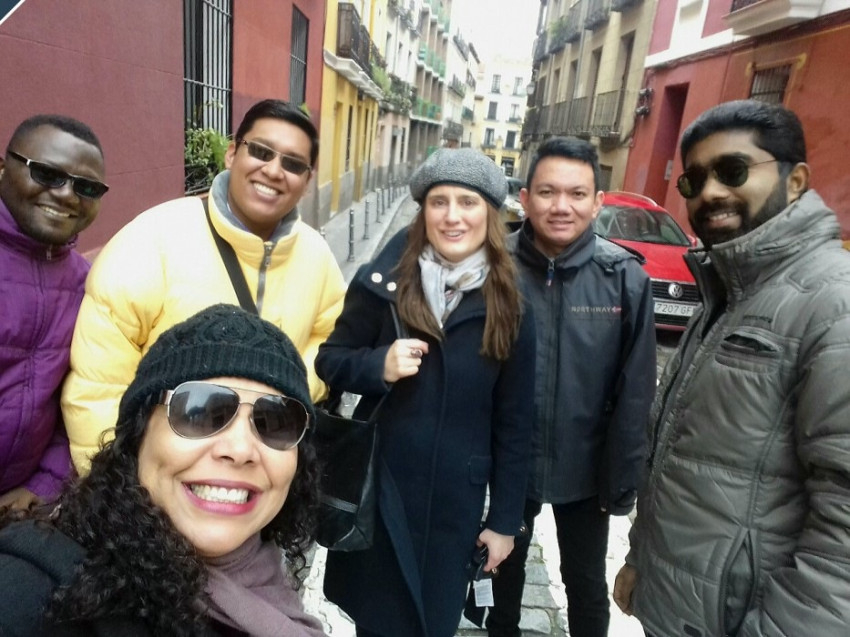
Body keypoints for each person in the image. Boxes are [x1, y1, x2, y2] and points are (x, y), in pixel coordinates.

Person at [613, 100, 850, 636]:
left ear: (796, 181)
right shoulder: (728, 292)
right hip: (681, 609)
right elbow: (680, 462)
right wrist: (640, 561)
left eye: (733, 170)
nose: (711, 192)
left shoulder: (833, 303)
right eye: (694, 180)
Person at [0, 304, 327, 636]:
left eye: (275, 421)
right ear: (138, 436)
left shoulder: (271, 586)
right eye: (198, 412)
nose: (241, 450)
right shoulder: (33, 590)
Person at [315, 148, 537, 637]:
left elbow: (517, 423)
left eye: (467, 202)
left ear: (490, 214)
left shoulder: (512, 305)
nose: (452, 216)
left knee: (433, 622)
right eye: (439, 202)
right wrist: (379, 365)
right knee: (378, 623)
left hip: (455, 504)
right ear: (424, 211)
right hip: (383, 494)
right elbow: (330, 360)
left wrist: (504, 522)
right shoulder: (383, 284)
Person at [62, 98, 346, 474]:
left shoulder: (316, 256)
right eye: (261, 151)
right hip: (162, 477)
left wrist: (285, 392)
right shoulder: (151, 240)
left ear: (307, 181)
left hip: (261, 468)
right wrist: (117, 483)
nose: (274, 170)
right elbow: (97, 387)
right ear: (232, 154)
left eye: (293, 164)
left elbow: (331, 336)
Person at [488, 136, 656, 637]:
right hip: (506, 461)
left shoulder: (624, 277)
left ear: (597, 202)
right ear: (525, 198)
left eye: (577, 194)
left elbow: (636, 388)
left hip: (587, 467)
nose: (561, 206)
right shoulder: (494, 267)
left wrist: (621, 479)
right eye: (547, 192)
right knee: (499, 574)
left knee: (584, 583)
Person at [0, 114, 108, 510]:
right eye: (46, 174)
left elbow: (82, 392)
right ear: (3, 168)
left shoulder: (89, 283)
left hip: (22, 507)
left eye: (86, 187)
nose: (66, 195)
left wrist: (46, 482)